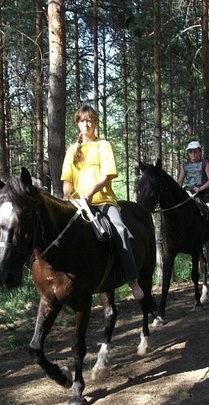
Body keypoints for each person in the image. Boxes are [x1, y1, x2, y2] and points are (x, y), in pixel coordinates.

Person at [61, 105, 144, 301]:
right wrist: (66, 198)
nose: (86, 124)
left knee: (120, 230)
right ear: (78, 123)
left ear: (95, 123)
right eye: (82, 120)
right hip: (78, 204)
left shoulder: (103, 145)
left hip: (103, 201)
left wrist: (89, 193)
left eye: (89, 120)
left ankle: (133, 280)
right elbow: (67, 180)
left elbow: (107, 176)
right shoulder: (72, 150)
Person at [177, 140, 209, 252]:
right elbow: (180, 181)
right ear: (188, 153)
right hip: (188, 192)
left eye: (195, 152)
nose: (193, 154)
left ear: (199, 152)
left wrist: (200, 188)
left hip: (203, 193)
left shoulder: (205, 163)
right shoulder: (185, 166)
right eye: (191, 152)